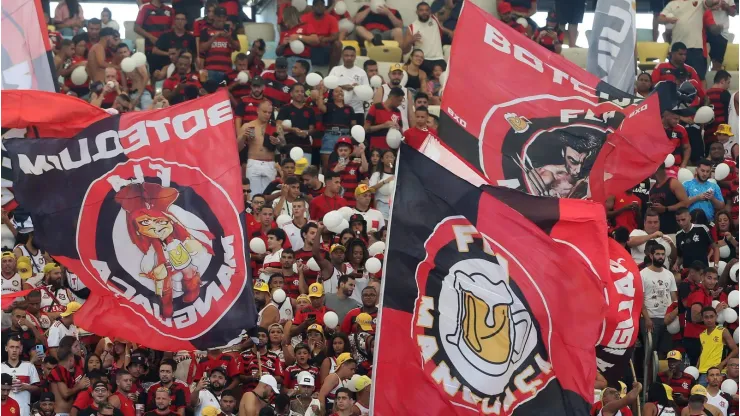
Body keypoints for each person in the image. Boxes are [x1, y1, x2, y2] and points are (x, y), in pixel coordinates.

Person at [658, 1, 720, 81]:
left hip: (695, 48)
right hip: (676, 48)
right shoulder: (672, 4)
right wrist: (667, 19)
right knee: (674, 79)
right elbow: (660, 19)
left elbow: (709, 2)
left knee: (698, 79)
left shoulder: (700, 1)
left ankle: (700, 94)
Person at [239, 101, 285, 195]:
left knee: (268, 194)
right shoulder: (248, 126)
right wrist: (243, 136)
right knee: (252, 195)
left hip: (270, 163)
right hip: (254, 162)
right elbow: (237, 148)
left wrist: (278, 141)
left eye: (269, 112)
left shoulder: (275, 126)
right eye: (264, 112)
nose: (267, 115)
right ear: (258, 111)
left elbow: (284, 146)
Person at [641, 244, 678, 357]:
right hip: (650, 318)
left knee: (666, 354)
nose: (661, 257)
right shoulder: (642, 274)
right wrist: (647, 319)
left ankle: (661, 375)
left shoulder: (669, 274)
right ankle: (648, 375)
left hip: (667, 318)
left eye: (663, 254)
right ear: (651, 256)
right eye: (657, 254)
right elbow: (640, 300)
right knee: (649, 353)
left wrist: (673, 315)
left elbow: (674, 298)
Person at [317, 82, 358, 172]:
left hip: (345, 137)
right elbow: (320, 106)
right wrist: (320, 91)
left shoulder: (349, 108)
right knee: (327, 166)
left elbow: (354, 125)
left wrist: (354, 138)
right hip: (330, 136)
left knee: (344, 166)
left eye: (341, 91)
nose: (340, 93)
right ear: (332, 95)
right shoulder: (328, 106)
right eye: (336, 92)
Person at [403, 2, 451, 76]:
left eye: (426, 10)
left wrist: (449, 7)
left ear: (430, 11)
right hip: (421, 60)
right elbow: (404, 50)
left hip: (438, 59)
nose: (424, 12)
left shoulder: (435, 19)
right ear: (417, 12)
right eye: (421, 10)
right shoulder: (412, 27)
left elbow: (446, 16)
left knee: (447, 79)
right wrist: (411, 40)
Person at [327, 46, 370, 127]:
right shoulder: (335, 70)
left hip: (357, 109)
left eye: (352, 55)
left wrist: (358, 88)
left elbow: (367, 92)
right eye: (346, 55)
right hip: (338, 110)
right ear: (342, 56)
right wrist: (342, 87)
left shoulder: (361, 72)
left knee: (356, 137)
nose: (349, 58)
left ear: (355, 57)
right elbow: (329, 87)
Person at [1, 336, 41, 416]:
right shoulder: (1, 367)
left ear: (21, 349)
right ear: (6, 348)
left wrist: (25, 387)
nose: (14, 350)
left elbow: (38, 388)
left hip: (24, 411)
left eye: (17, 347)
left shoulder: (29, 366)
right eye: (12, 347)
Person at [199, 7, 240, 84]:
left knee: (224, 94)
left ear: (226, 18)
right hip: (210, 70)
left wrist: (229, 37)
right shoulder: (205, 30)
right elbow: (201, 49)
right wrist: (214, 37)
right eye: (219, 16)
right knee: (210, 94)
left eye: (223, 17)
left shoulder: (231, 31)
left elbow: (238, 48)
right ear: (214, 17)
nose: (221, 19)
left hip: (227, 71)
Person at [277, 84, 316, 163]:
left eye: (302, 91)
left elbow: (312, 129)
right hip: (289, 146)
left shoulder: (310, 110)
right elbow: (278, 125)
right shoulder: (285, 108)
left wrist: (306, 132)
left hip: (305, 146)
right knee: (289, 172)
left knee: (305, 172)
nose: (300, 93)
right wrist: (292, 130)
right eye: (297, 91)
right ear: (291, 94)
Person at [698, 308, 738, 383]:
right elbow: (702, 353)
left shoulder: (722, 331)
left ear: (716, 317)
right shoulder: (702, 334)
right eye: (706, 317)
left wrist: (722, 364)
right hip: (702, 372)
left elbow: (735, 350)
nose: (709, 320)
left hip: (716, 371)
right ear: (702, 318)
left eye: (711, 316)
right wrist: (697, 368)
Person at [48, 348, 89, 415]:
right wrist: (79, 386)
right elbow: (65, 394)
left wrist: (77, 385)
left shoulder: (65, 372)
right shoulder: (59, 370)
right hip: (60, 413)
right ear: (71, 359)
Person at [134, 0, 174, 67]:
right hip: (151, 49)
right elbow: (136, 28)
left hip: (166, 50)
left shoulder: (169, 9)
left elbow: (173, 29)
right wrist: (150, 37)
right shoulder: (145, 8)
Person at [705, 71, 733, 150]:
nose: (729, 86)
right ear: (722, 81)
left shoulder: (706, 94)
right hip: (722, 136)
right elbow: (729, 115)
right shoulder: (724, 93)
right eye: (728, 82)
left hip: (708, 135)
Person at [368, 150, 396, 219]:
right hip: (381, 204)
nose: (389, 159)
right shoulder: (376, 174)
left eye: (391, 157)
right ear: (382, 159)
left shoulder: (397, 175)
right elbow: (371, 189)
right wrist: (385, 181)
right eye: (387, 157)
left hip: (394, 205)